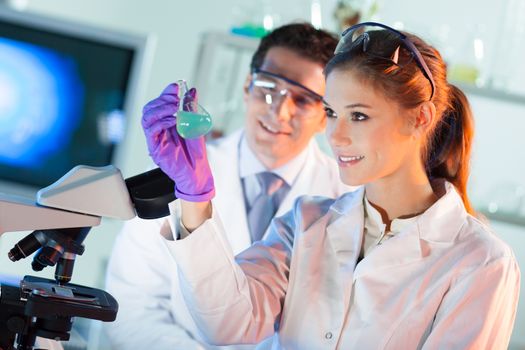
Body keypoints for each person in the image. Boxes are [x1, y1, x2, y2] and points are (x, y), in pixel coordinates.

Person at [147, 22, 521, 349]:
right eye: (331, 113)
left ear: (420, 118)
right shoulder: (306, 222)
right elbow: (227, 323)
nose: (335, 136)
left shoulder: (480, 262)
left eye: (358, 115)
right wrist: (194, 197)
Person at [105, 23, 353, 349]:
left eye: (304, 99)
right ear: (247, 86)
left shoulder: (344, 199)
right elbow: (132, 304)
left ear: (326, 116)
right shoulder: (179, 173)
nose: (279, 110)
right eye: (268, 87)